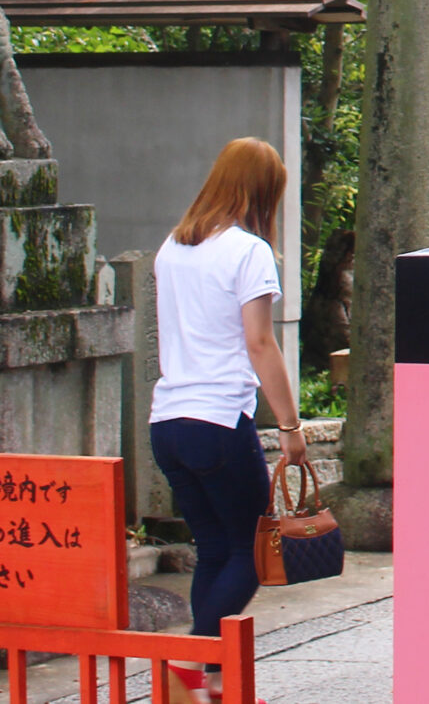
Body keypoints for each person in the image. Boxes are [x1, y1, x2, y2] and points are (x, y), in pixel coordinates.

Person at [150, 138, 303, 704]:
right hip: (217, 420)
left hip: (168, 422)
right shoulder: (248, 251)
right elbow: (260, 343)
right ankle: (189, 664)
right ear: (262, 193)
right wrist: (290, 427)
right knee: (253, 550)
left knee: (215, 548)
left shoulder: (174, 246)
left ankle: (210, 687)